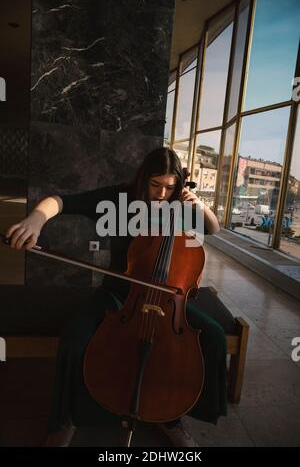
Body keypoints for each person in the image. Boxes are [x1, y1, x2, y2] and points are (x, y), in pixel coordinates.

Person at [5, 147, 226, 447]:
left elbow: (212, 228)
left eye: (170, 187)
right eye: (155, 185)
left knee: (213, 336)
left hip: (167, 302)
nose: (162, 194)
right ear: (143, 179)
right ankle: (69, 417)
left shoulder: (181, 205)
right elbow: (60, 201)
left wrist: (198, 204)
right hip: (119, 295)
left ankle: (172, 415)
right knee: (75, 336)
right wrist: (36, 219)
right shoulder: (119, 199)